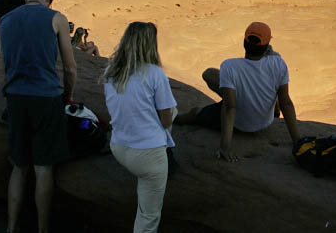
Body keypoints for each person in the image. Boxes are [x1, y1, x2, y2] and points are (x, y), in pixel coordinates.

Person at [0, 0, 76, 233]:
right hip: (46, 97)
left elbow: (7, 62)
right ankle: (42, 229)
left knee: (18, 166)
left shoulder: (7, 19)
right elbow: (70, 67)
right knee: (43, 168)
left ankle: (11, 227)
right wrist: (67, 95)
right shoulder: (57, 18)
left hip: (16, 96)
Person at [175, 21, 300, 161]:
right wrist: (297, 140)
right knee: (217, 77)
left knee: (196, 112)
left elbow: (229, 107)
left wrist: (225, 147)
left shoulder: (230, 66)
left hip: (240, 124)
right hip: (265, 121)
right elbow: (286, 103)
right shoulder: (278, 63)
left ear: (244, 43)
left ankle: (173, 118)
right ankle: (271, 110)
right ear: (266, 47)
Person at [103, 22, 177, 233]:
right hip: (148, 154)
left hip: (119, 146)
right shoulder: (154, 73)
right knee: (148, 215)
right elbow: (166, 119)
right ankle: (168, 150)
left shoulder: (111, 71)